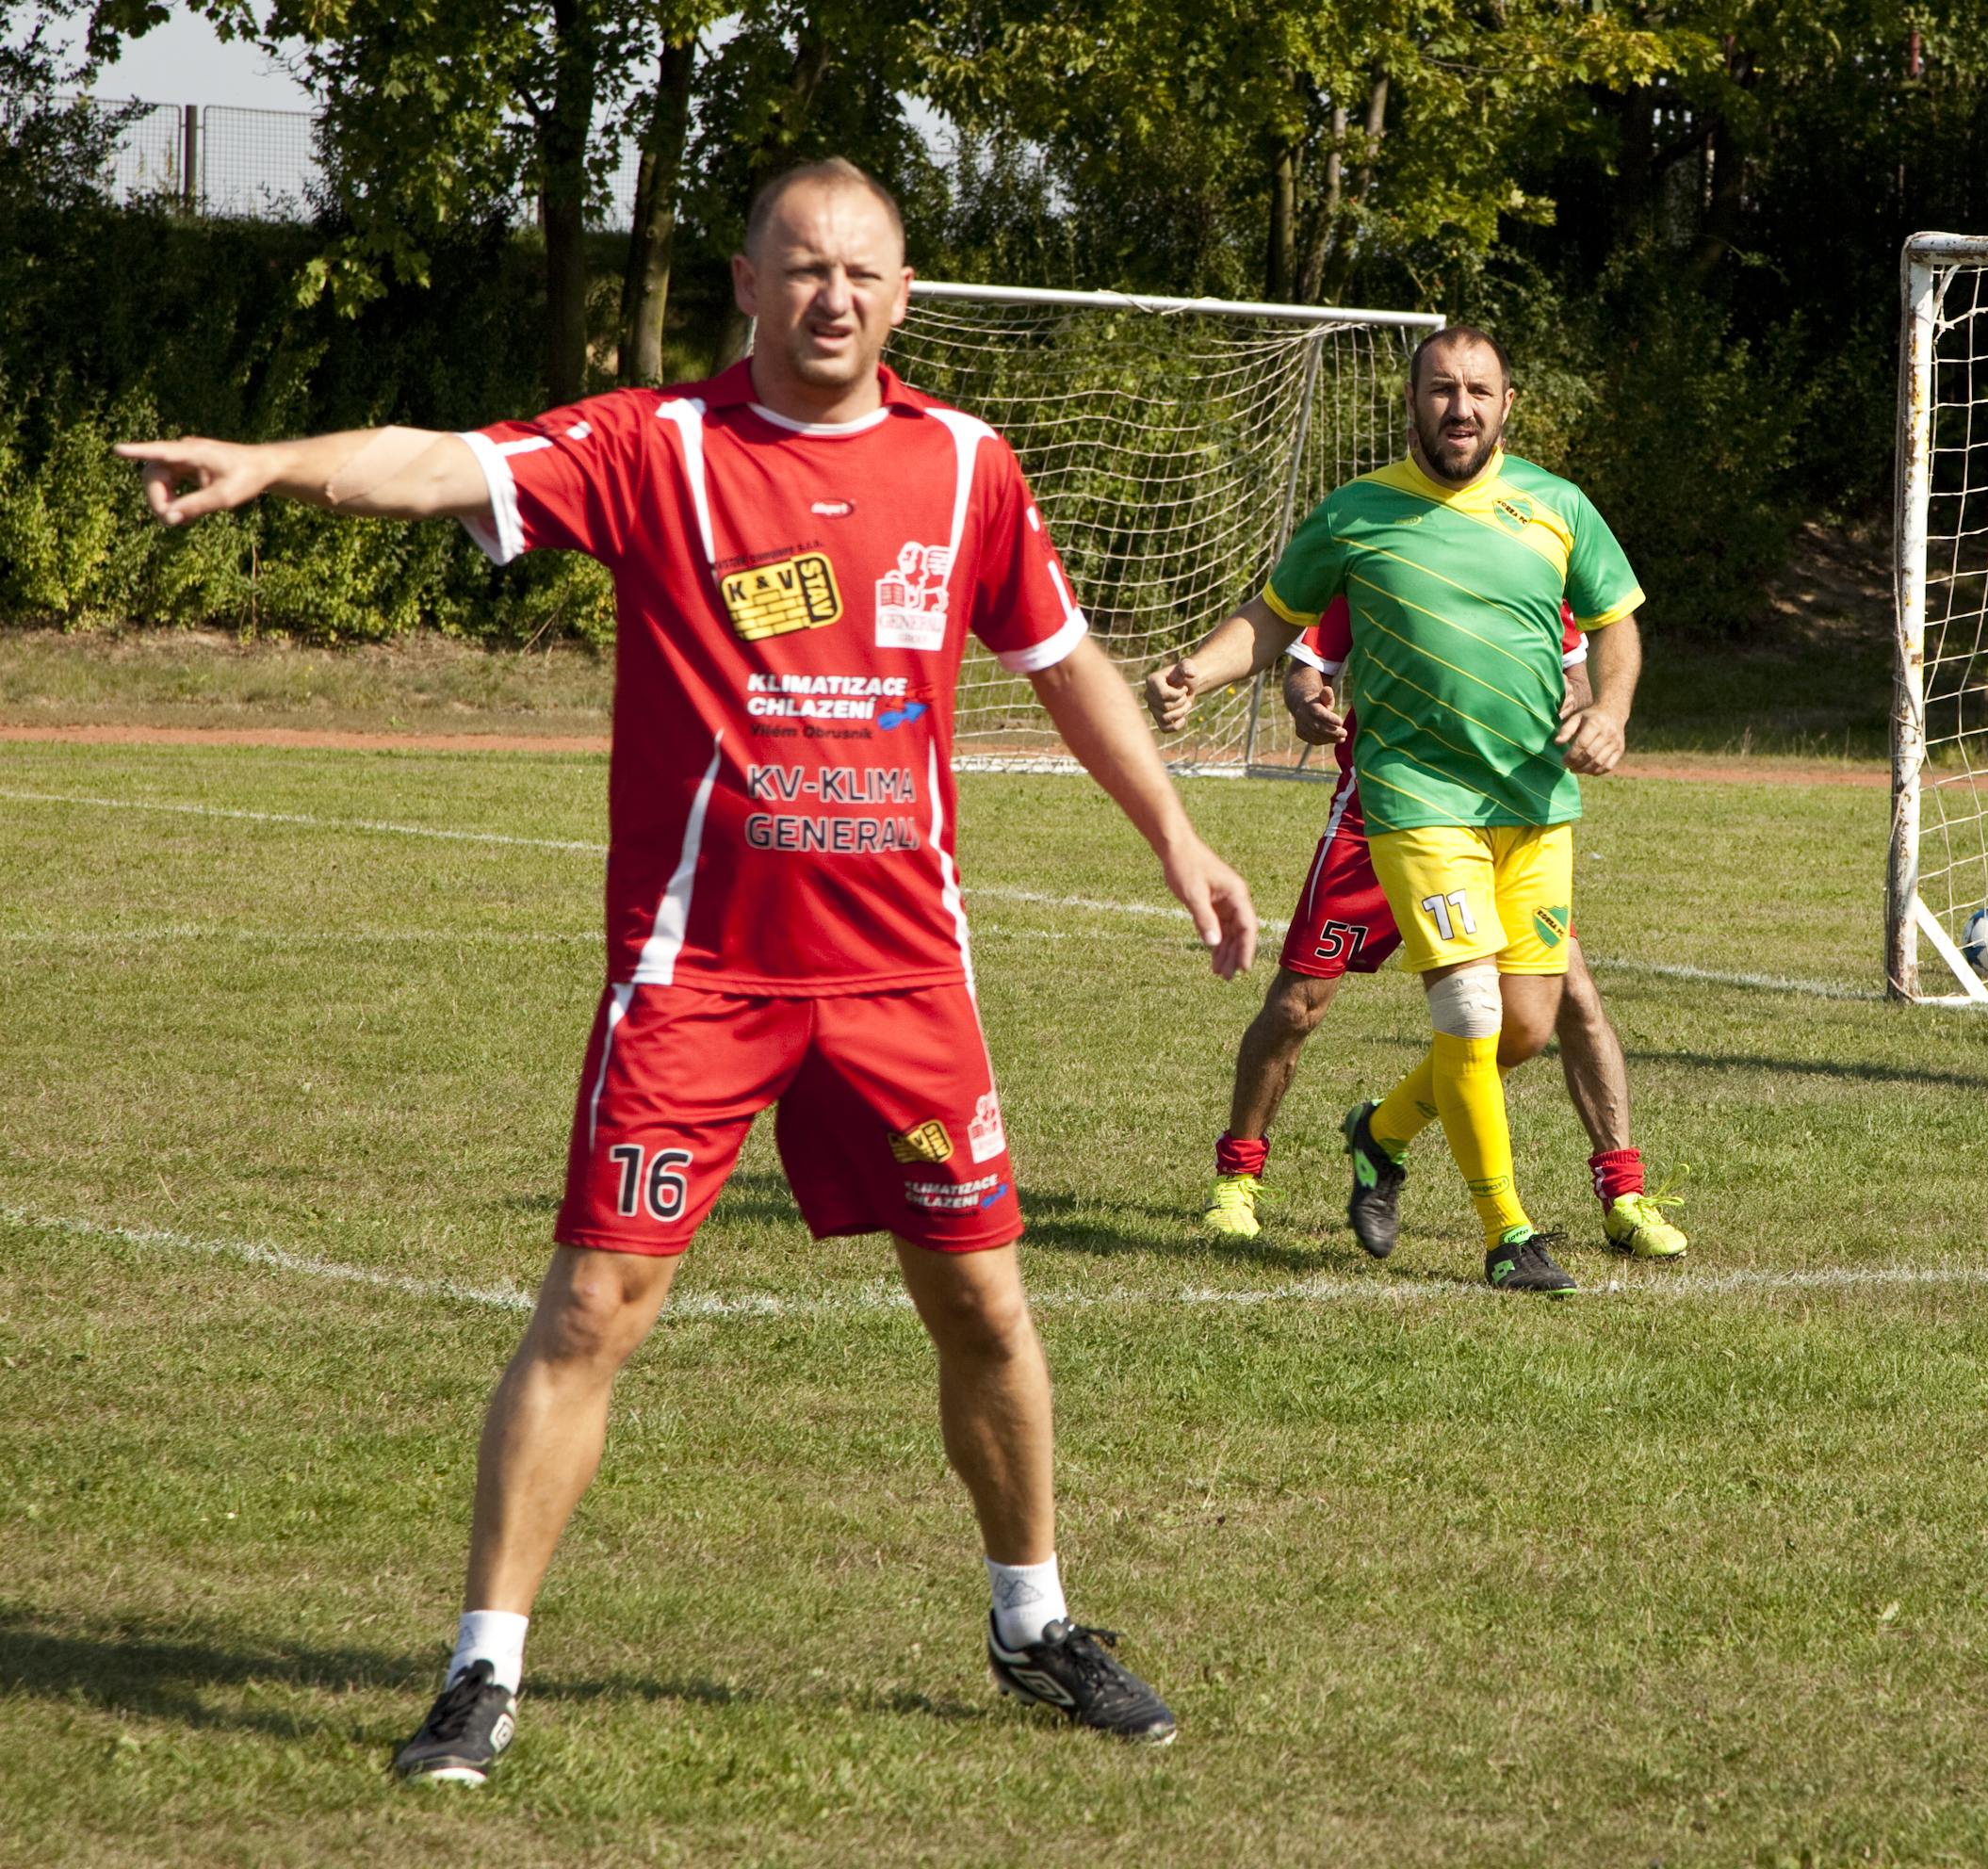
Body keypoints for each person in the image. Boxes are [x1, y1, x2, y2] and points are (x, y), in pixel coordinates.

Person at [117, 157, 1258, 1774]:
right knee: (593, 1301)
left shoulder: (966, 466)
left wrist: (1177, 840)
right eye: (803, 268)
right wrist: (274, 464)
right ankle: (483, 1666)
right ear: (746, 282)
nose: (834, 296)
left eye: (863, 271)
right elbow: (439, 464)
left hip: (904, 980)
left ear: (905, 293)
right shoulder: (660, 450)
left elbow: (1062, 661)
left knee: (986, 1306)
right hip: (696, 977)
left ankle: (1035, 1622)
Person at [1152, 324, 1644, 1295]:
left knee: (1527, 1029)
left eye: (1477, 391)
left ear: (1506, 404)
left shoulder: (1558, 507)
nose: (1458, 408)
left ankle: (1379, 1134)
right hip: (1414, 801)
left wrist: (1611, 711)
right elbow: (1274, 617)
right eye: (1439, 390)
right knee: (1463, 1007)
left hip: (1533, 804)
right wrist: (1197, 673)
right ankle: (1507, 1231)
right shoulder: (1358, 513)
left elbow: (1615, 623)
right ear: (1410, 400)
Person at [1148, 594, 1686, 1259]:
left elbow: (1577, 670)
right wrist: (1305, 702)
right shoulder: (1384, 546)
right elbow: (1308, 661)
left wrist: (1584, 711)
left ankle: (1622, 1195)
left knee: (1560, 1003)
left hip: (1502, 816)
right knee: (1297, 1005)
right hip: (1382, 813)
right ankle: (1237, 1179)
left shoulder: (1535, 551)